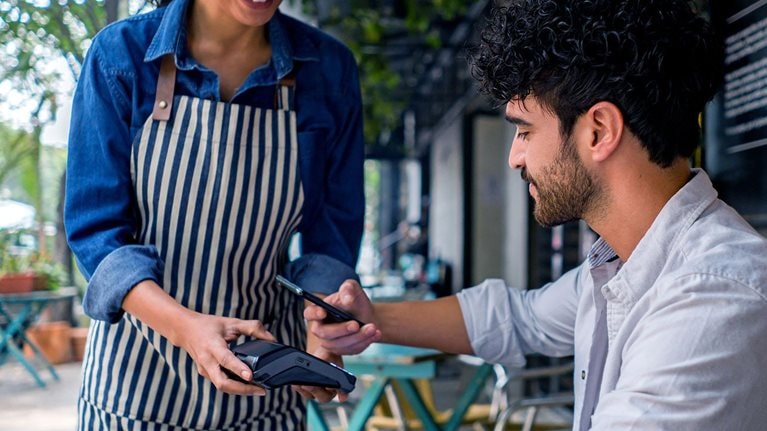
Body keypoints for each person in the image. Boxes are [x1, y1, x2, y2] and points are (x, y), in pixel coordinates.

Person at [305, 0, 767, 429]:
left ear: (599, 130)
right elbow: (518, 318)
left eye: (525, 130)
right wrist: (368, 318)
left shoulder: (711, 298)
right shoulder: (626, 262)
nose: (514, 157)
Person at [64, 0, 364, 428]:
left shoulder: (329, 70)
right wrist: (186, 327)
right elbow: (97, 233)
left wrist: (323, 329)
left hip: (264, 392)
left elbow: (330, 237)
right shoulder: (120, 54)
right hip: (134, 384)